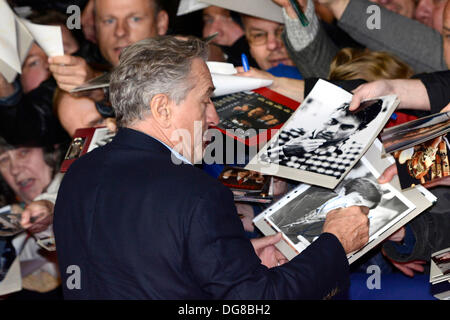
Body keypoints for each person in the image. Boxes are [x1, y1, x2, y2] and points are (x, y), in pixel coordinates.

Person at [53, 36, 371, 299]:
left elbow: (136, 270)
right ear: (162, 108)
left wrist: (237, 256)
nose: (214, 118)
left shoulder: (79, 174)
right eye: (205, 100)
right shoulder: (196, 192)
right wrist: (334, 244)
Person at [0, 135, 63, 298]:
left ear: (52, 152)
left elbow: (58, 199)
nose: (14, 169)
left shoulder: (79, 182)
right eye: (3, 159)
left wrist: (47, 206)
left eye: (23, 152)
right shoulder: (10, 222)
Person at [273, 178, 382, 244]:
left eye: (362, 210)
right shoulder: (310, 192)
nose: (354, 210)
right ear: (343, 192)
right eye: (356, 201)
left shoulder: (340, 233)